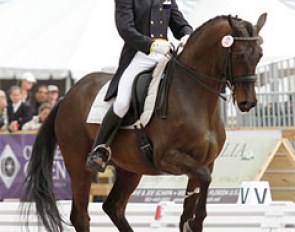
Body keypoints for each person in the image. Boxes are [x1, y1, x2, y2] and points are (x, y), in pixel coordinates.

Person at [86, 0, 193, 172]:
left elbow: (179, 24)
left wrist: (188, 34)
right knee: (122, 103)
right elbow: (125, 29)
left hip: (165, 54)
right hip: (140, 54)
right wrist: (150, 44)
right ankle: (99, 149)